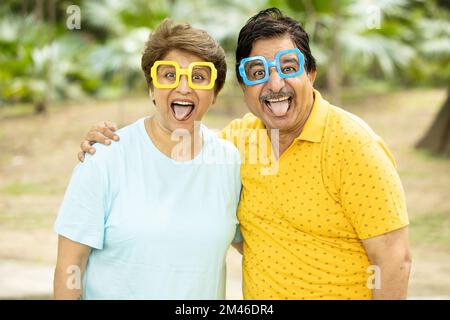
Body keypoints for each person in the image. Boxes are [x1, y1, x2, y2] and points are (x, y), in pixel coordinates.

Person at [78, 8, 412, 299]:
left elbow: (395, 259)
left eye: (289, 67)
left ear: (310, 74)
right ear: (244, 88)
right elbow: (175, 148)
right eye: (257, 72)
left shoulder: (353, 146)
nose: (275, 83)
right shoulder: (235, 144)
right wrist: (108, 143)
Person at [53, 19, 242, 300]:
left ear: (214, 94)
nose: (183, 87)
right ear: (151, 87)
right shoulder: (104, 157)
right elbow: (70, 265)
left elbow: (259, 242)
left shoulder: (230, 162)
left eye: (199, 77)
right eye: (169, 75)